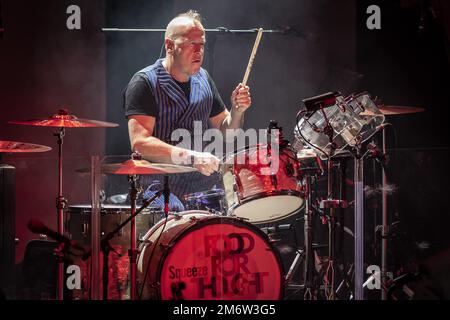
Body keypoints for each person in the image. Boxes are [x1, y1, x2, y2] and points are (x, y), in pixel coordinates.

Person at [123, 10, 251, 210]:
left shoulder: (204, 79)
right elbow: (140, 143)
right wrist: (193, 157)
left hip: (201, 185)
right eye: (192, 44)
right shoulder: (145, 82)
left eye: (202, 44)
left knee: (241, 203)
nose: (199, 50)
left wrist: (237, 111)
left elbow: (227, 132)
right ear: (169, 45)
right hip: (159, 186)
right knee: (175, 210)